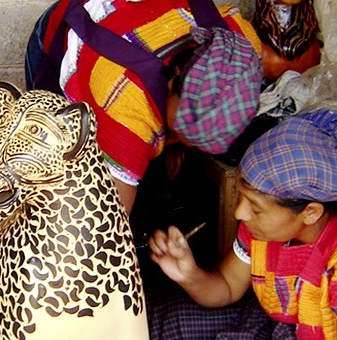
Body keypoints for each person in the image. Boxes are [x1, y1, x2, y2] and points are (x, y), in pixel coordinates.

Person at [25, 0, 269, 214]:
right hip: (69, 30)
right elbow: (109, 220)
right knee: (49, 157)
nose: (188, 140)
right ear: (173, 78)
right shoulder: (127, 106)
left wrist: (176, 142)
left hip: (136, 21)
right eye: (184, 128)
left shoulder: (242, 47)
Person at [148, 109, 337, 339]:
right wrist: (189, 275)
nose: (239, 213)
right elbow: (227, 286)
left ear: (311, 212)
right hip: (270, 323)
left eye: (255, 207)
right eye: (241, 196)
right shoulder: (261, 232)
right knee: (163, 318)